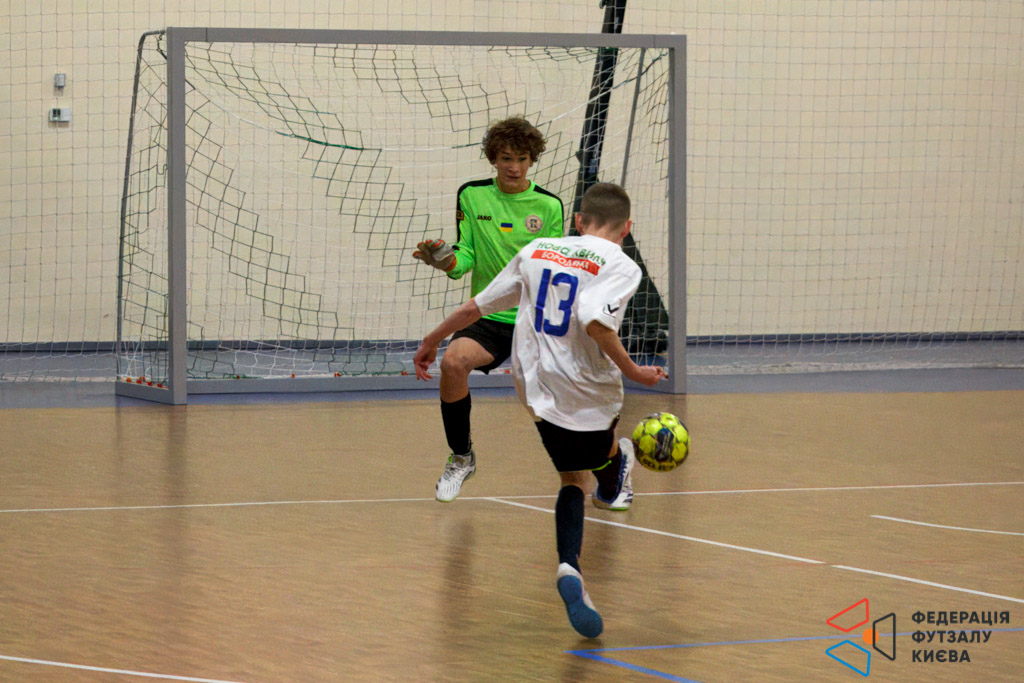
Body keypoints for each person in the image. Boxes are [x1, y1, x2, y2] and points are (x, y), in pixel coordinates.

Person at [413, 182, 666, 638]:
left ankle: (571, 566)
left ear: (577, 221)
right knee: (595, 464)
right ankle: (613, 480)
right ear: (627, 227)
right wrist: (634, 370)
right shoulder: (621, 264)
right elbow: (595, 319)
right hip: (590, 388)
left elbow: (476, 307)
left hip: (535, 385)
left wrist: (432, 340)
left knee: (573, 476)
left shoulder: (537, 250)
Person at [413, 117, 564, 503]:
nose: (515, 167)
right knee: (453, 363)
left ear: (532, 160)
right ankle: (462, 457)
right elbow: (465, 256)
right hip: (488, 318)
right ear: (493, 159)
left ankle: (608, 467)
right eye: (507, 158)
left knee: (563, 406)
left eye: (523, 159)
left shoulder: (549, 206)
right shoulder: (472, 195)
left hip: (534, 319)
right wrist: (446, 261)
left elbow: (553, 267)